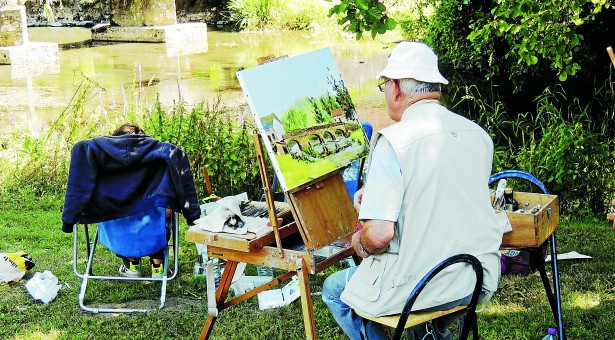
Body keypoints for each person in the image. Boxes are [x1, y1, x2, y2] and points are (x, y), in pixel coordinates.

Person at [321, 41, 503, 339]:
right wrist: (383, 201)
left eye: (384, 88)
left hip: (422, 285)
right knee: (422, 324)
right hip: (475, 277)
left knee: (334, 290)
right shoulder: (477, 134)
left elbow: (379, 235)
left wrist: (360, 243)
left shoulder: (394, 140)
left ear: (395, 88)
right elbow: (441, 196)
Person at [62, 123, 201, 278]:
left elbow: (78, 189)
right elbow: (175, 201)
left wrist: (69, 220)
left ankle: (132, 263)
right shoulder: (163, 154)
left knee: (120, 220)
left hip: (116, 236)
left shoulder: (93, 154)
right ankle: (158, 265)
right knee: (160, 215)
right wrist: (192, 215)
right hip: (154, 234)